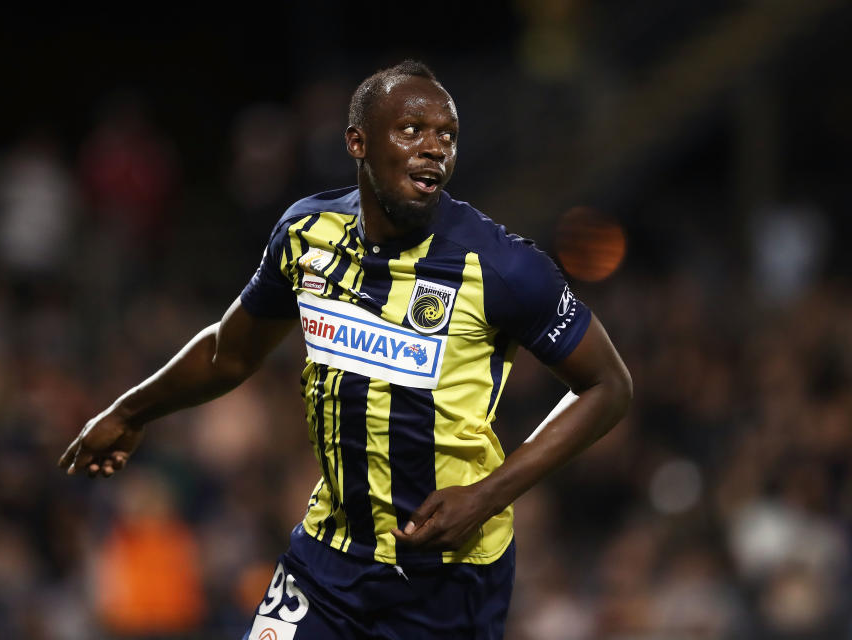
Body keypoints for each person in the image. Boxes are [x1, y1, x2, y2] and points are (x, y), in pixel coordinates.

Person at [59, 60, 632, 640]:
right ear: (357, 142)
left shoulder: (504, 267)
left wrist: (487, 495)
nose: (434, 147)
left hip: (447, 578)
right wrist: (128, 412)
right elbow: (228, 354)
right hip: (328, 561)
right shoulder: (306, 233)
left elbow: (609, 385)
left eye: (447, 135)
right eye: (412, 130)